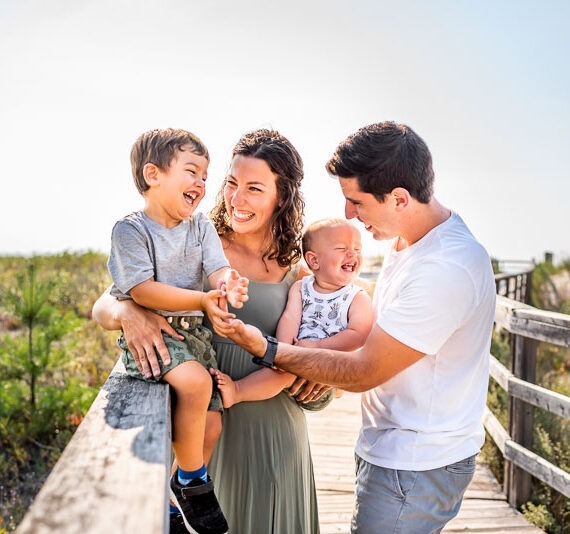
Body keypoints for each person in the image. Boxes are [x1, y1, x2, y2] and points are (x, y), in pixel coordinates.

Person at [218, 122, 497, 533]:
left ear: (399, 198)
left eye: (356, 202)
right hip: (390, 451)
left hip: (416, 463)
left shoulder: (446, 268)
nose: (348, 213)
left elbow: (365, 370)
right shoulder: (408, 242)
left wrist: (273, 351)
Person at [93, 129, 321, 533]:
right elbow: (104, 305)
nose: (236, 198)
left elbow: (311, 353)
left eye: (254, 188)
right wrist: (129, 312)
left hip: (274, 438)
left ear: (281, 196)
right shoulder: (193, 239)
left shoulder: (299, 268)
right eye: (231, 183)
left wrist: (321, 382)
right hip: (201, 433)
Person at [107, 128, 248, 534]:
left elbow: (217, 268)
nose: (202, 184)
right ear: (153, 174)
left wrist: (226, 284)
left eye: (206, 176)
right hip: (154, 334)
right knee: (193, 380)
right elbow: (141, 289)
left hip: (196, 336)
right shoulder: (130, 230)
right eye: (191, 172)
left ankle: (173, 492)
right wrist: (200, 301)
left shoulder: (200, 227)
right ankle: (192, 482)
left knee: (213, 423)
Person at [212, 217, 373, 411]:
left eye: (357, 249)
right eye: (341, 248)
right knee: (284, 371)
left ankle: (238, 391)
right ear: (314, 260)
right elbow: (290, 318)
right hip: (296, 354)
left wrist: (316, 348)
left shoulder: (356, 297)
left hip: (325, 364)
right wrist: (283, 351)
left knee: (288, 374)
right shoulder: (301, 287)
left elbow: (358, 335)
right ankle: (242, 386)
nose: (352, 254)